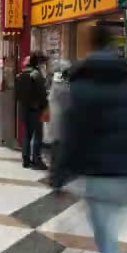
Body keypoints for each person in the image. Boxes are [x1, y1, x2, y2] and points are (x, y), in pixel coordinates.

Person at [59, 26, 127, 253]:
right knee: (107, 233)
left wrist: (59, 174)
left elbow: (71, 136)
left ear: (91, 48)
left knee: (107, 243)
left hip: (97, 177)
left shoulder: (80, 89)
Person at [15, 51, 49, 170]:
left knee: (27, 134)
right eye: (42, 62)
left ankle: (25, 159)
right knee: (38, 134)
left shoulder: (20, 75)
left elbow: (16, 95)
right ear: (38, 63)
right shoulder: (36, 74)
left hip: (23, 108)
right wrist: (45, 106)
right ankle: (36, 160)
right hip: (35, 109)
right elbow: (42, 93)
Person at [48, 59, 72, 189]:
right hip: (59, 123)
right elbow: (67, 99)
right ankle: (56, 179)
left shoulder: (57, 82)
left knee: (56, 152)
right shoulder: (59, 84)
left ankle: (55, 177)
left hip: (57, 123)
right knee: (58, 152)